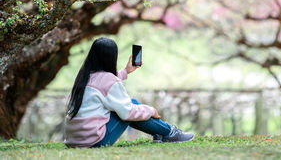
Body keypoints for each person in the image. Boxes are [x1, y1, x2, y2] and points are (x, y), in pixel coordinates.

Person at [64, 37, 194, 148]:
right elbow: (127, 112)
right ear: (112, 57)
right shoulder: (108, 80)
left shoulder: (84, 77)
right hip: (94, 142)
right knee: (131, 106)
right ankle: (169, 132)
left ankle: (161, 133)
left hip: (74, 140)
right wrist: (151, 110)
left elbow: (103, 84)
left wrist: (125, 71)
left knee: (127, 107)